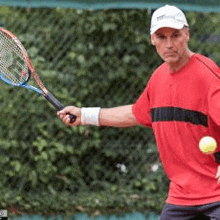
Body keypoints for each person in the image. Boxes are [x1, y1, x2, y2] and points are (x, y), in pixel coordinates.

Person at [57, 5, 220, 220]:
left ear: (187, 34)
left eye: (176, 35)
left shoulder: (207, 75)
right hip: (181, 197)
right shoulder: (158, 78)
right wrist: (84, 115)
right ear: (152, 39)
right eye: (161, 37)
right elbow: (136, 114)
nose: (169, 44)